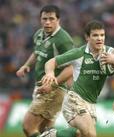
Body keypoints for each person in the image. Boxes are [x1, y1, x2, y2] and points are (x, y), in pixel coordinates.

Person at [39, 20, 114, 137]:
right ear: (87, 37)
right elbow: (51, 62)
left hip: (91, 104)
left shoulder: (112, 54)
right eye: (95, 35)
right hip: (75, 100)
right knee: (90, 134)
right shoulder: (79, 53)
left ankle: (52, 135)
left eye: (102, 35)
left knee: (79, 134)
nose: (99, 38)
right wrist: (50, 73)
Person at [16, 5, 78, 137]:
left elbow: (71, 67)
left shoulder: (64, 40)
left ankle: (74, 133)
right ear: (40, 19)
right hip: (40, 86)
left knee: (28, 127)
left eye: (51, 19)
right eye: (44, 19)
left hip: (54, 90)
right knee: (46, 131)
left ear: (58, 20)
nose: (47, 22)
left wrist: (53, 85)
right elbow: (37, 52)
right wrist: (26, 65)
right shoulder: (39, 34)